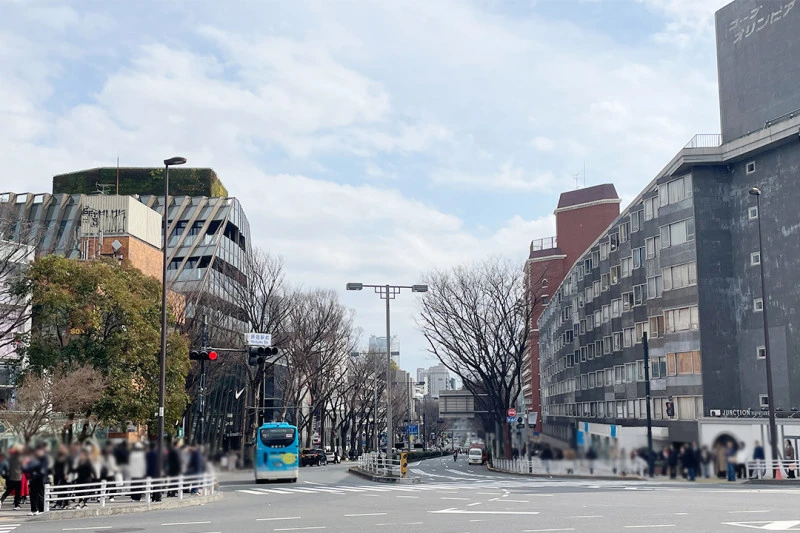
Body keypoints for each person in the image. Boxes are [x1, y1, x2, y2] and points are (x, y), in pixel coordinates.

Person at [24, 443, 50, 516]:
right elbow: (28, 468)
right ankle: (34, 510)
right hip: (33, 479)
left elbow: (43, 470)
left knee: (40, 495)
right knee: (32, 494)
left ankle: (41, 510)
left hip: (41, 479)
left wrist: (35, 473)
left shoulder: (44, 458)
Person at [0, 446, 23, 510]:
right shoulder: (20, 459)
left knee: (8, 491)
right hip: (18, 478)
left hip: (9, 478)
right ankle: (16, 505)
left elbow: (2, 468)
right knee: (17, 492)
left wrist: (4, 476)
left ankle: (1, 500)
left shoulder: (8, 459)